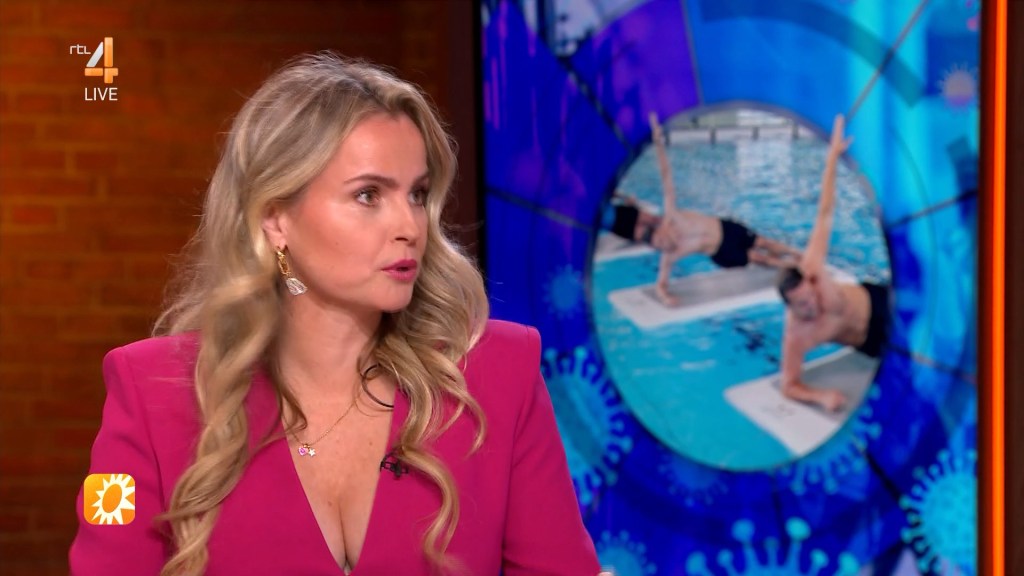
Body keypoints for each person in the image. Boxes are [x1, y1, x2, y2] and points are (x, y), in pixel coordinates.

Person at [69, 53, 603, 576]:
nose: (409, 227)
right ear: (276, 218)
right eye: (368, 195)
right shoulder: (150, 390)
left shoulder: (499, 374)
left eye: (417, 195)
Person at [605, 113, 802, 306]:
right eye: (662, 247)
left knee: (763, 242)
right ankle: (795, 265)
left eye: (663, 241)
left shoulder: (672, 217)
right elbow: (661, 285)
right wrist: (665, 298)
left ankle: (796, 252)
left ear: (662, 231)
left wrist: (658, 141)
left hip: (726, 229)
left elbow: (666, 177)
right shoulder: (670, 255)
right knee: (760, 258)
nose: (667, 245)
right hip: (722, 253)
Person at [775, 114, 890, 413]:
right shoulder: (795, 336)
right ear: (790, 307)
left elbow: (825, 212)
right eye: (802, 305)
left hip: (879, 301)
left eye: (810, 295)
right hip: (871, 343)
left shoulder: (811, 268)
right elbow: (788, 385)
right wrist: (820, 396)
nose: (812, 305)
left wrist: (832, 159)